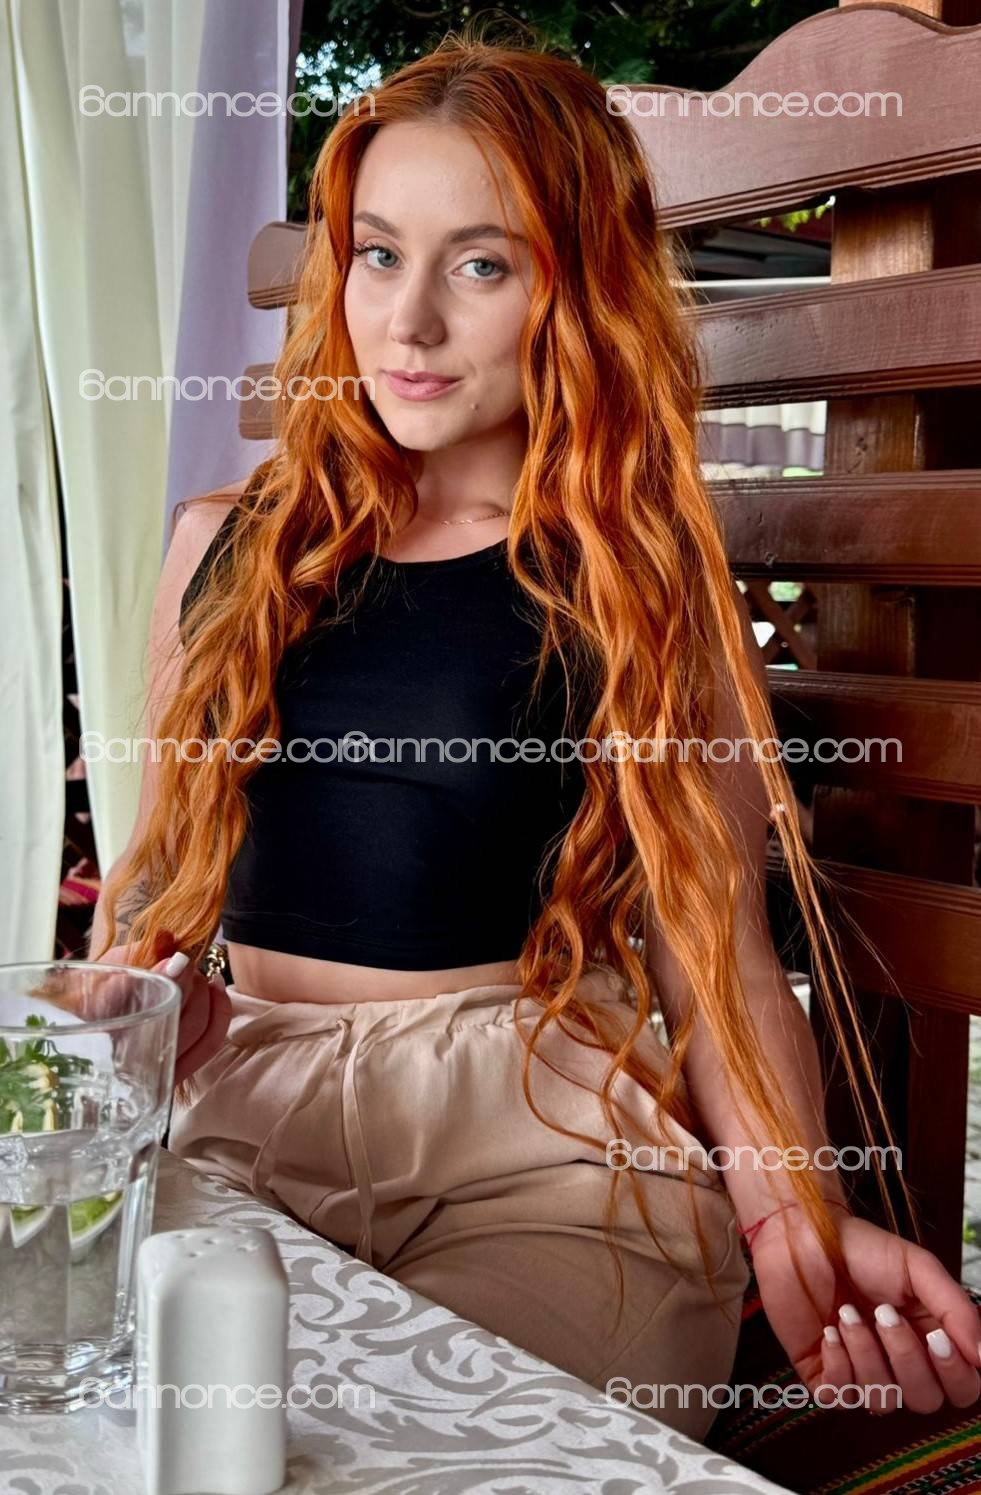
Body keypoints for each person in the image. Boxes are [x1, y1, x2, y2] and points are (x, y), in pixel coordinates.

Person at [89, 30, 981, 1439]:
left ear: (576, 293)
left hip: (543, 1152)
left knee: (444, 1451)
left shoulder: (635, 584)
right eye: (378, 255)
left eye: (482, 266)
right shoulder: (222, 549)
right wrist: (125, 1012)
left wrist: (796, 1226)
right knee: (174, 1435)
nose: (408, 322)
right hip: (239, 1126)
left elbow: (717, 960)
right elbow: (147, 891)